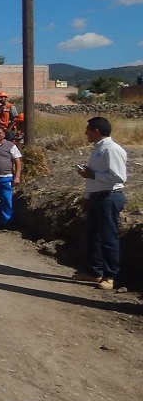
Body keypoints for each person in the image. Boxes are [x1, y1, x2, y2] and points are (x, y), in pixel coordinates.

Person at [75, 117, 128, 290]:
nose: (86, 133)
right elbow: (94, 175)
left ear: (96, 130)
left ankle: (110, 276)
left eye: (88, 129)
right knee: (94, 236)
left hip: (109, 197)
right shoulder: (98, 149)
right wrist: (88, 197)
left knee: (108, 238)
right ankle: (94, 272)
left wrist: (92, 175)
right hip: (97, 197)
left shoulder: (111, 150)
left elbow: (119, 177)